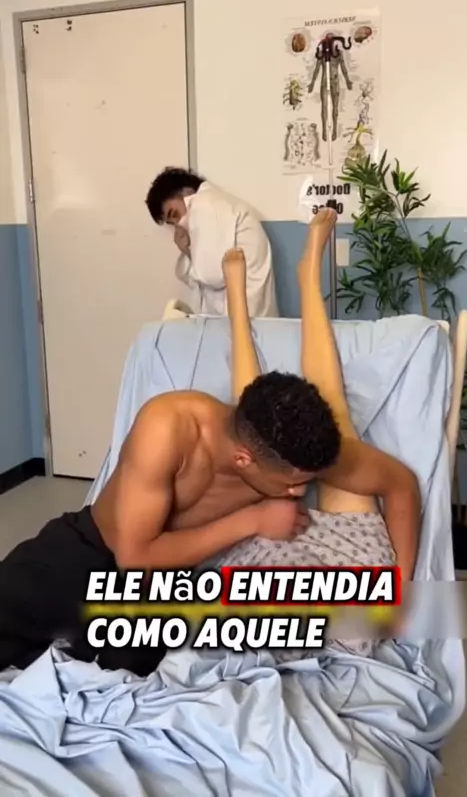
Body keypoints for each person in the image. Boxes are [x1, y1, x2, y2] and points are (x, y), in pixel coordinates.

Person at [0, 211, 420, 677]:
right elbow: (134, 556)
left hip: (167, 583)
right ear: (245, 458)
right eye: (293, 484)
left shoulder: (302, 448)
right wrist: (253, 519)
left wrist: (398, 592)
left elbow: (400, 485)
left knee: (124, 675)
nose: (302, 491)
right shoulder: (170, 427)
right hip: (94, 546)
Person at [145, 167, 278, 317]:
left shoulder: (205, 204)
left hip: (247, 318)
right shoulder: (213, 204)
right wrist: (187, 250)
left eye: (175, 214)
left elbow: (211, 275)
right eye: (172, 223)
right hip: (245, 317)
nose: (178, 225)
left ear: (187, 192)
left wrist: (188, 250)